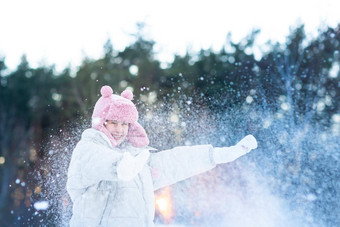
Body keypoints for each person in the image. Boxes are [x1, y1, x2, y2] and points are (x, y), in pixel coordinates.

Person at [66, 85, 258, 227]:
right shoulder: (88, 148)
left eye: (125, 124)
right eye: (113, 123)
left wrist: (214, 155)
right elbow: (102, 162)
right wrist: (124, 166)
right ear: (101, 123)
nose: (119, 129)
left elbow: (174, 162)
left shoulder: (136, 156)